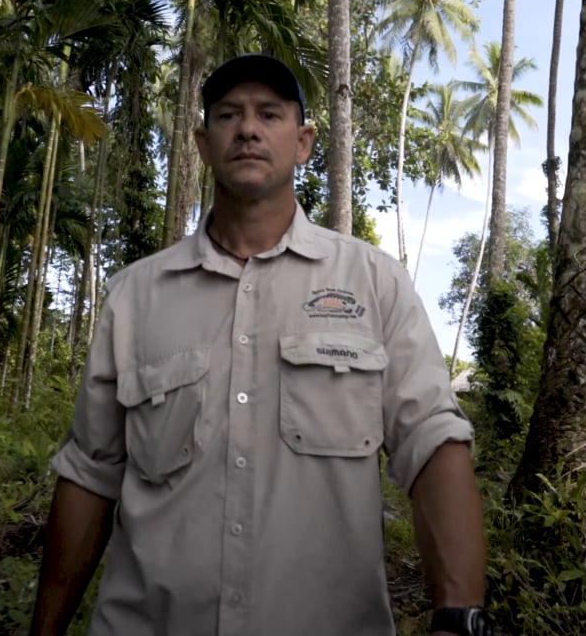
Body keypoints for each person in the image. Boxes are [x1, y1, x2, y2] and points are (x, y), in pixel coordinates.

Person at [29, 54, 492, 636]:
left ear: (303, 143)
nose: (248, 128)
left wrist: (459, 614)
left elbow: (432, 443)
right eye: (229, 115)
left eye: (269, 114)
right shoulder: (133, 298)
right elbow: (90, 476)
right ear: (202, 143)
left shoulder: (374, 284)